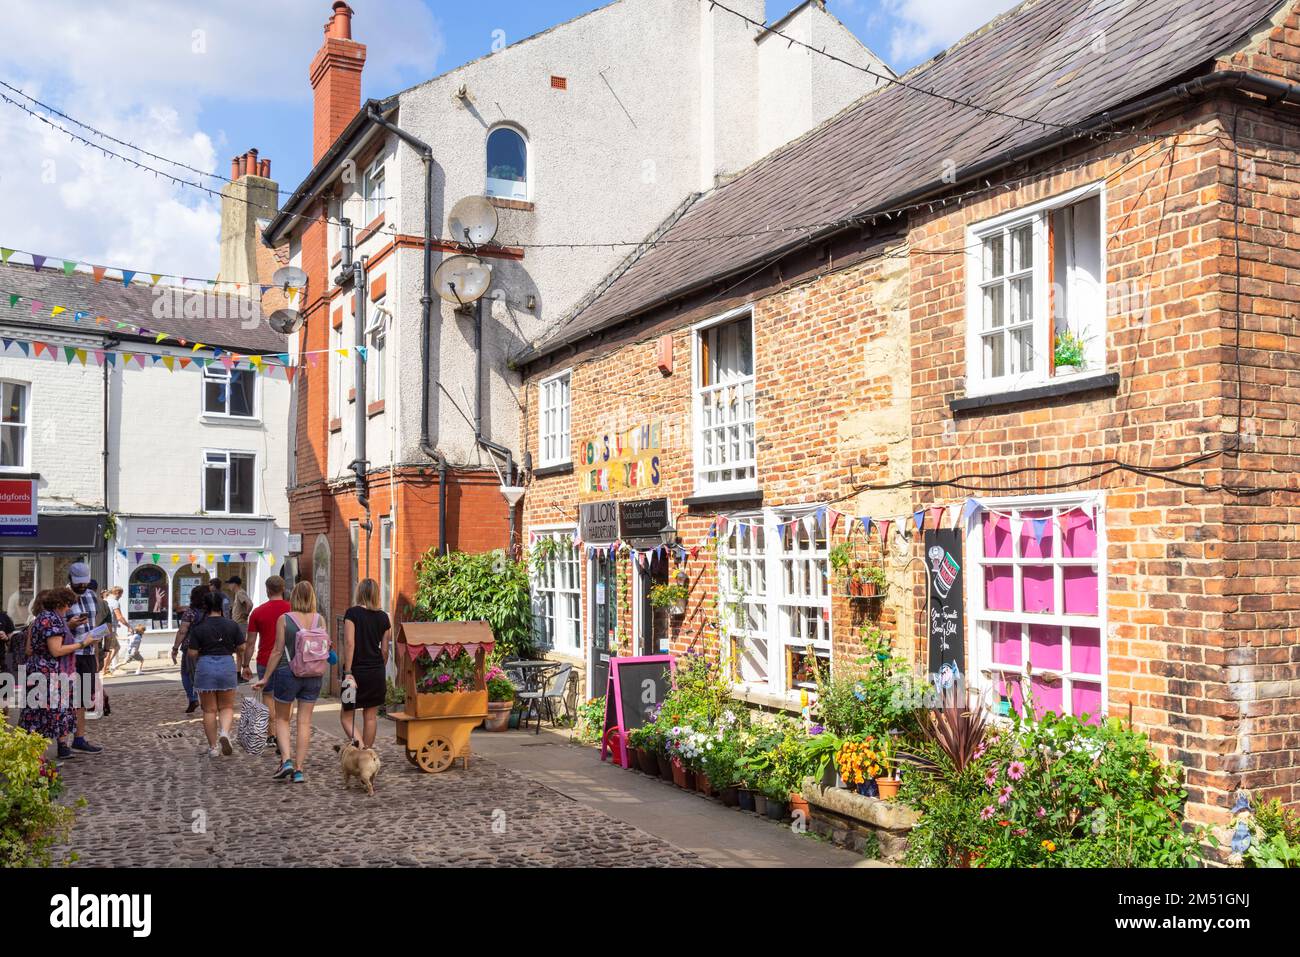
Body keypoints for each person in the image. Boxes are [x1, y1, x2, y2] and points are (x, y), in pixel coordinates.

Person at [251, 581, 327, 783]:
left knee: (282, 719)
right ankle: (300, 770)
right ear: (312, 597)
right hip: (313, 675)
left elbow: (277, 651)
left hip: (288, 673)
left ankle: (286, 760)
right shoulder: (320, 620)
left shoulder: (284, 619)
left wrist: (265, 678)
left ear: (293, 597)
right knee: (304, 722)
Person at [19, 588, 101, 760]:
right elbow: (56, 650)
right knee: (44, 717)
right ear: (60, 604)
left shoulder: (43, 618)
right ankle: (38, 763)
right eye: (68, 605)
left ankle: (37, 761)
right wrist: (82, 644)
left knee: (39, 716)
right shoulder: (51, 620)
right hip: (47, 674)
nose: (69, 608)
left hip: (39, 671)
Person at [186, 590, 244, 757]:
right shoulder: (231, 625)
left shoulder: (199, 628)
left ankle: (213, 748)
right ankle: (225, 733)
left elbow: (192, 653)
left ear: (205, 607)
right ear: (221, 606)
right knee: (226, 707)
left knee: (209, 710)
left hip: (205, 666)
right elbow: (242, 647)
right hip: (226, 664)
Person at [340, 578, 390, 749]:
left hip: (354, 673)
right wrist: (379, 667)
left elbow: (349, 643)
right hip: (376, 671)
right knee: (370, 717)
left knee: (346, 717)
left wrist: (348, 671)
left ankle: (360, 750)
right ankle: (367, 753)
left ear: (359, 592)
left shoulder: (352, 613)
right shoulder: (384, 617)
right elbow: (384, 650)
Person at [244, 576, 290, 744]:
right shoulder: (292, 610)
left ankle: (272, 734)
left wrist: (245, 664)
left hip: (265, 659)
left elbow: (250, 642)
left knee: (268, 696)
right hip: (288, 660)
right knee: (286, 697)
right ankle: (283, 731)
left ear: (267, 590)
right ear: (283, 588)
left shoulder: (258, 612)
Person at [64, 563, 103, 753]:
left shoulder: (91, 595)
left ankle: (79, 738)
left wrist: (95, 654)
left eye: (84, 583)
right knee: (66, 698)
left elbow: (94, 626)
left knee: (83, 699)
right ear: (70, 579)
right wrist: (69, 624)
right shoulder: (62, 598)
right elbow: (53, 628)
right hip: (69, 654)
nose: (81, 586)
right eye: (78, 583)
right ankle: (62, 742)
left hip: (87, 654)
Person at [171, 585, 208, 714]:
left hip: (190, 646)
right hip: (208, 647)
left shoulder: (190, 612)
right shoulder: (213, 612)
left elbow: (182, 631)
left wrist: (175, 648)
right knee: (204, 674)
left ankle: (193, 698)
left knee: (187, 674)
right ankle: (207, 700)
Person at [104, 587, 130, 675]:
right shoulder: (115, 602)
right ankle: (104, 669)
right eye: (121, 594)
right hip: (110, 629)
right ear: (117, 593)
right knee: (110, 649)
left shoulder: (105, 600)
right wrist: (128, 626)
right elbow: (119, 617)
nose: (121, 596)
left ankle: (105, 667)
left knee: (114, 648)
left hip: (102, 628)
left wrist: (116, 623)